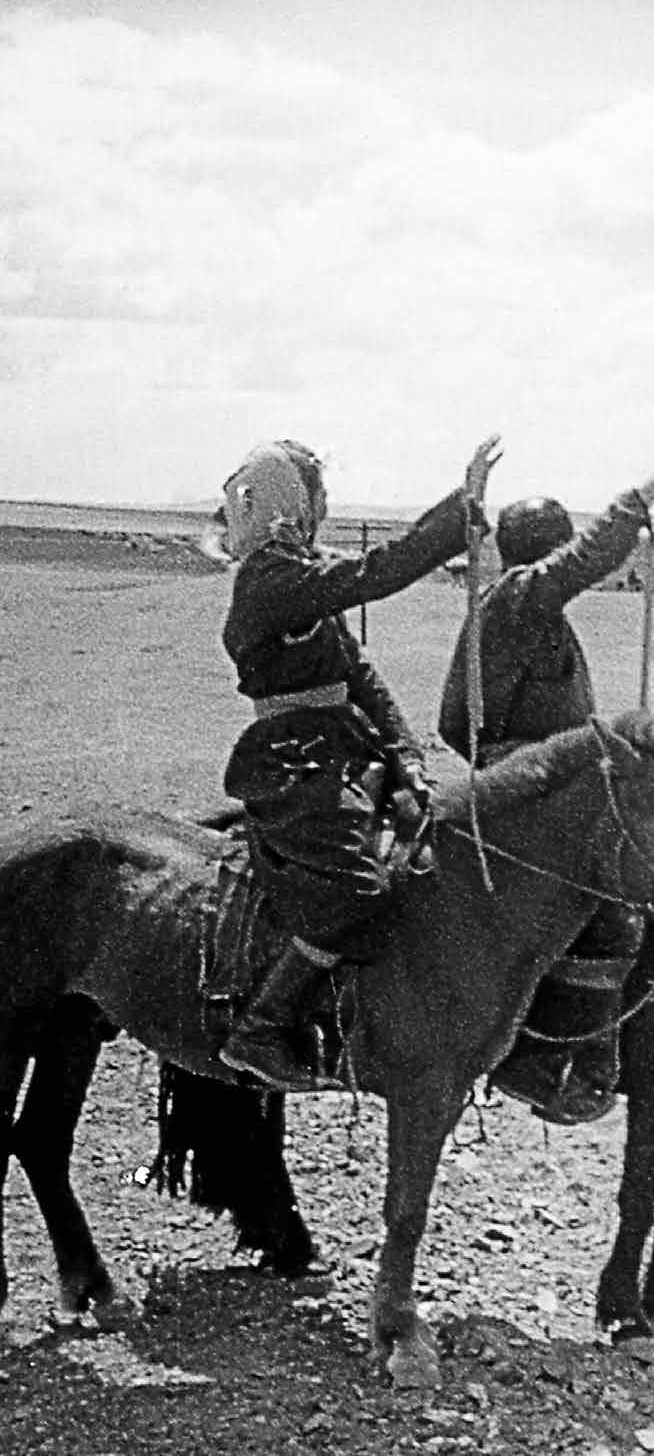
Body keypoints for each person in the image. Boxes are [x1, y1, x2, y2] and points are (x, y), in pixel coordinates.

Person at [218, 434, 500, 1090]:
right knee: (356, 887)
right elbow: (379, 573)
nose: (324, 503)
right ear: (292, 500)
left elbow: (359, 673)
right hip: (293, 760)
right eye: (316, 492)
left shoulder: (296, 570)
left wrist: (406, 753)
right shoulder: (271, 580)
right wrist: (464, 507)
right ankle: (260, 1026)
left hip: (343, 742)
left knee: (430, 852)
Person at [438, 427, 654, 1123]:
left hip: (534, 772)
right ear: (548, 552)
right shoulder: (525, 596)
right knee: (609, 914)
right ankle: (540, 1061)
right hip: (527, 780)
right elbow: (599, 549)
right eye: (565, 549)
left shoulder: (521, 606)